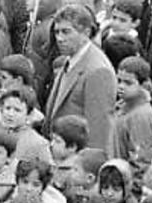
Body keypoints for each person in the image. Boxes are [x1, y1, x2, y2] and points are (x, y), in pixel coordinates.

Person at [44, 5, 117, 155]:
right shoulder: (71, 60)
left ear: (86, 32)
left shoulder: (98, 70)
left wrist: (90, 166)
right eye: (57, 32)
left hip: (78, 161)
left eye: (66, 32)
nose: (59, 38)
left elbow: (99, 130)